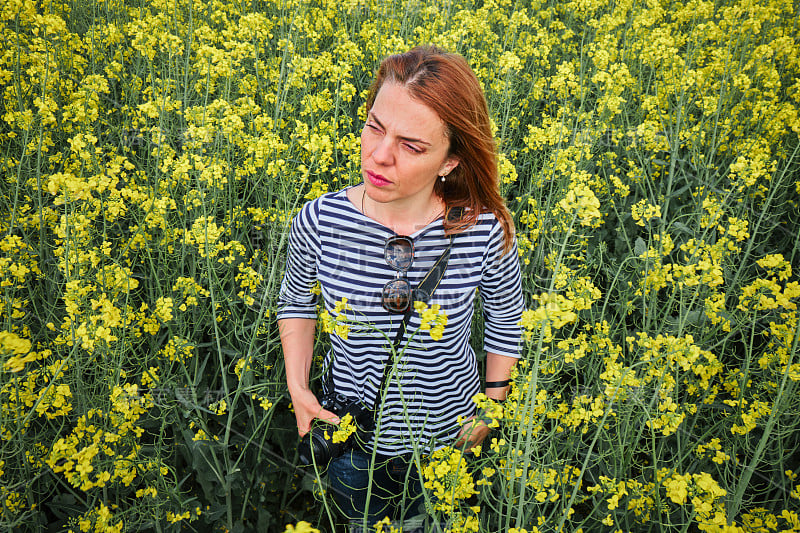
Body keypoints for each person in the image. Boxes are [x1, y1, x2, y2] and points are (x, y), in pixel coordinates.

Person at [277, 45, 524, 529]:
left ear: (451, 161)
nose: (379, 155)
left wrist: (491, 411)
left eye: (412, 146)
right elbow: (296, 302)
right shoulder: (319, 220)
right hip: (352, 434)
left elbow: (505, 319)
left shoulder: (482, 230)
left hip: (450, 439)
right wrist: (297, 386)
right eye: (374, 126)